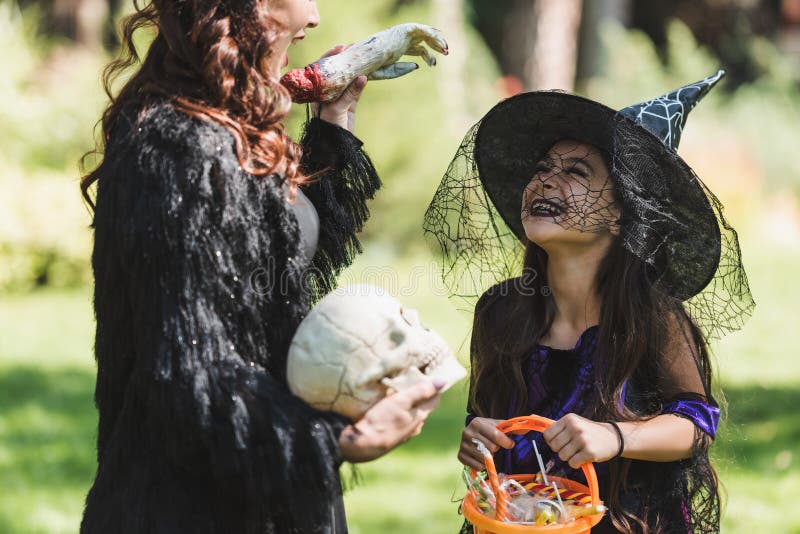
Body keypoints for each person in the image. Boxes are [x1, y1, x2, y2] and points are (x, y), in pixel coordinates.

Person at [78, 1, 442, 532]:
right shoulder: (175, 146)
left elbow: (284, 258)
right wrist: (343, 439)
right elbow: (186, 374)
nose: (315, 18)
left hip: (271, 480)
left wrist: (333, 121)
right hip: (192, 505)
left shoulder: (223, 126)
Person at [424, 70, 754, 533]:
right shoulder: (499, 312)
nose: (545, 182)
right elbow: (487, 423)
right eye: (541, 169)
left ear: (620, 215)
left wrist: (613, 437)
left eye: (576, 172)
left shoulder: (652, 316)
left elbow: (696, 425)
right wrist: (479, 437)